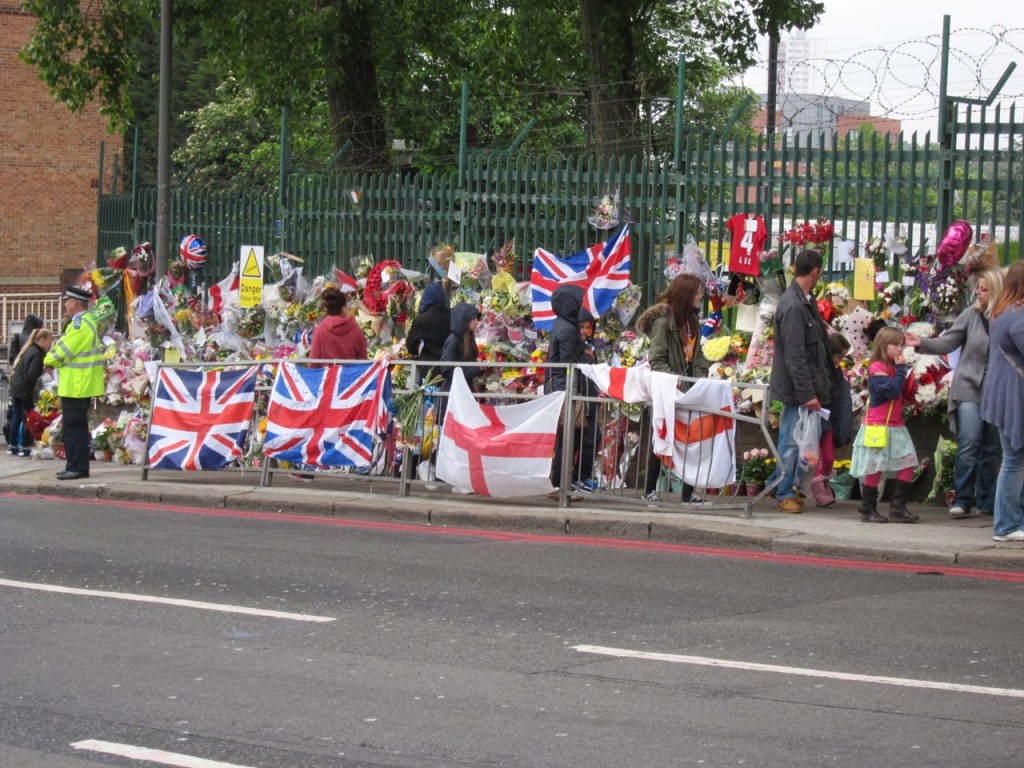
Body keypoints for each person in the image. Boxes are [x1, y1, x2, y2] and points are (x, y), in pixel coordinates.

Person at [905, 266, 1004, 518]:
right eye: (977, 289)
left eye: (984, 290)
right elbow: (949, 342)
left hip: (997, 392)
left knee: (992, 449)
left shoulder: (1007, 317)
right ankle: (962, 499)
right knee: (969, 442)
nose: (978, 294)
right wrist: (922, 344)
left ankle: (986, 500)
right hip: (970, 387)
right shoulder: (971, 315)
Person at [768, 249, 835, 513]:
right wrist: (808, 393)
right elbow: (795, 355)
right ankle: (783, 491)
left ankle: (784, 486)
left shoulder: (804, 300)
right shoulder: (795, 305)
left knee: (796, 440)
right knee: (790, 441)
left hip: (802, 386)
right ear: (815, 272)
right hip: (797, 389)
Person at [635, 273, 711, 505]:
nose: (700, 296)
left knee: (692, 441)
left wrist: (701, 379)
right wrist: (675, 382)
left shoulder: (693, 322)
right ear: (686, 294)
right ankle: (649, 490)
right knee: (663, 440)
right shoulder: (663, 322)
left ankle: (688, 494)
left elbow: (699, 357)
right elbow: (656, 359)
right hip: (668, 390)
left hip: (690, 390)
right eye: (697, 292)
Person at [850, 326, 920, 524]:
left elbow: (900, 394)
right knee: (875, 467)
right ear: (882, 345)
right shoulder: (877, 368)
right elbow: (892, 391)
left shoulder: (892, 367)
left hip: (896, 424)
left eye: (902, 345)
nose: (900, 349)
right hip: (878, 426)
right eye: (895, 345)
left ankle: (898, 507)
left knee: (908, 461)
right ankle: (868, 509)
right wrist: (901, 370)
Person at [981, 260, 1024, 542]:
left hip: (1001, 390)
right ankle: (1007, 525)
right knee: (1014, 459)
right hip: (1013, 392)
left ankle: (1010, 521)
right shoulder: (1017, 314)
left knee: (1013, 458)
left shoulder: (1000, 311)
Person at [44, 286, 105, 480]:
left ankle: (77, 467)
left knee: (75, 428)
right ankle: (73, 465)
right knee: (73, 427)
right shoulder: (83, 322)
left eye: (67, 301)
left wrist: (48, 360)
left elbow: (63, 349)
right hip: (77, 384)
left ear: (74, 303)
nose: (65, 304)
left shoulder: (80, 325)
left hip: (77, 385)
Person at [545, 285, 596, 492]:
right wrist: (586, 357)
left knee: (570, 437)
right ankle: (561, 482)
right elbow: (569, 361)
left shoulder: (563, 325)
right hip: (564, 389)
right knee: (568, 437)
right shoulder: (566, 329)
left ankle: (564, 481)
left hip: (563, 387)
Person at [811, 333, 853, 507]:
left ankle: (824, 482)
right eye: (838, 356)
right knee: (814, 456)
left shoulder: (836, 372)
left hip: (829, 417)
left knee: (828, 456)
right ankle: (819, 490)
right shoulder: (819, 369)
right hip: (818, 414)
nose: (840, 360)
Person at [8, 328, 54, 456]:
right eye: (49, 341)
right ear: (42, 340)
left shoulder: (29, 349)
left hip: (16, 387)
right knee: (26, 418)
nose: (50, 345)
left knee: (17, 417)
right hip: (25, 389)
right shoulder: (38, 354)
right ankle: (23, 445)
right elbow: (32, 374)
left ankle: (12, 445)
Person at [405, 281, 450, 383]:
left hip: (428, 369)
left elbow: (411, 346)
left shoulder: (422, 320)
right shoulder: (452, 316)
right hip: (449, 368)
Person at [309, 287, 367, 361]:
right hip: (352, 372)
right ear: (343, 308)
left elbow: (313, 363)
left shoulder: (320, 330)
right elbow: (363, 359)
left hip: (328, 372)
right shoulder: (355, 329)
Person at [440, 302, 481, 393]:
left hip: (463, 389)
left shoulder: (468, 338)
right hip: (453, 392)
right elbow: (447, 369)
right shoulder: (453, 340)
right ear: (465, 320)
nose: (477, 322)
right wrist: (477, 368)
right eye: (474, 318)